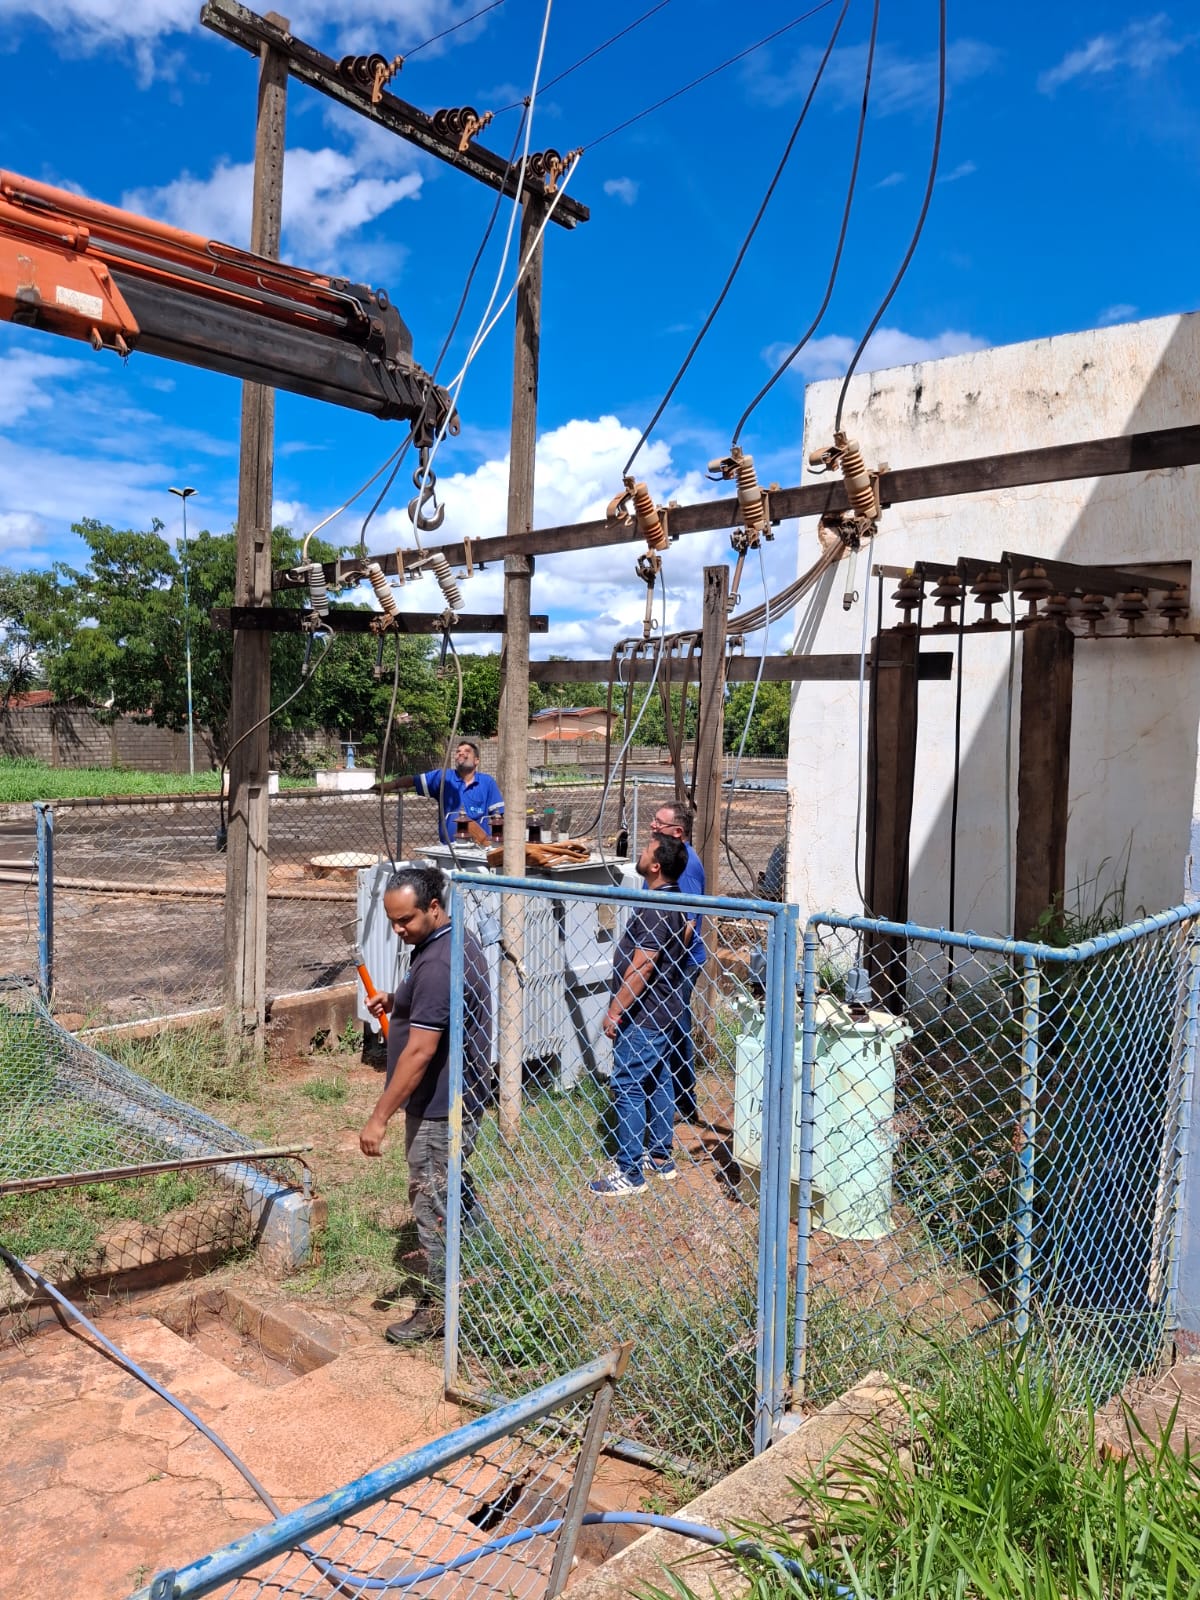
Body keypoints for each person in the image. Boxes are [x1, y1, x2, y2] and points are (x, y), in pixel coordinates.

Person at [359, 865, 492, 1344]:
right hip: (457, 1100)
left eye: (406, 920)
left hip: (439, 1109)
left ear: (434, 908)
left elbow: (419, 1053)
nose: (399, 930)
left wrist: (379, 1117)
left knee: (433, 1205)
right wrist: (400, 1001)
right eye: (392, 921)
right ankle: (486, 1278)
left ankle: (438, 1311)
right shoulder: (447, 945)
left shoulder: (436, 965)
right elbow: (437, 1011)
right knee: (452, 1193)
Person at [591, 834, 690, 1197]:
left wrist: (615, 1011)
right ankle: (659, 1156)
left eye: (646, 849)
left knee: (629, 1085)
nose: (640, 852)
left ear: (655, 866)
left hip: (645, 1015)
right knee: (659, 1079)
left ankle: (629, 1172)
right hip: (666, 1011)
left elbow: (643, 965)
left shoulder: (654, 907)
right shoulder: (676, 899)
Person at [647, 800, 705, 1123]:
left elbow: (688, 923)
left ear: (678, 832)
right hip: (663, 958)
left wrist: (662, 965)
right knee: (673, 1025)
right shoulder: (663, 856)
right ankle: (677, 1097)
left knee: (675, 1026)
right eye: (654, 821)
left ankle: (683, 1100)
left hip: (679, 961)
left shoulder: (688, 865)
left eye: (660, 823)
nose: (653, 826)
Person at [377, 739, 503, 845]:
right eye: (458, 751)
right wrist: (391, 785)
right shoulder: (443, 777)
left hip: (479, 847)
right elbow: (413, 780)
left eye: (467, 751)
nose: (461, 753)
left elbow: (500, 815)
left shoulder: (487, 782)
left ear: (477, 760)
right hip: (449, 848)